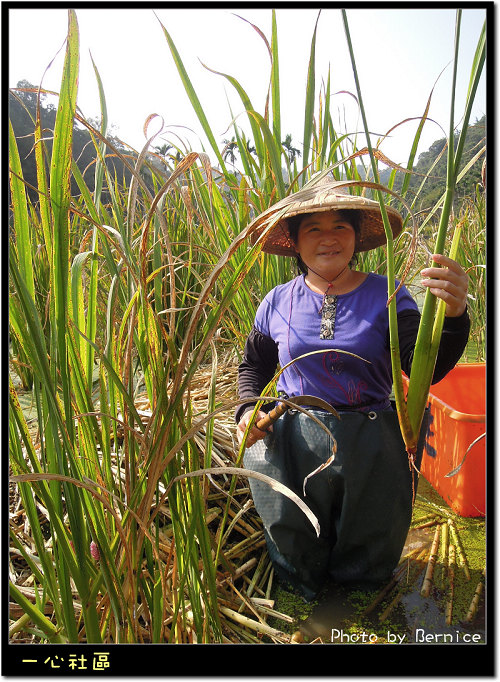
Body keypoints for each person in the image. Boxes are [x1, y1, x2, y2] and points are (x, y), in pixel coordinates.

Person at [236, 180, 470, 600]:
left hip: (372, 442)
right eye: (314, 229)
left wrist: (454, 315)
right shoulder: (276, 302)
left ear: (356, 237)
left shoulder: (388, 294)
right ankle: (303, 608)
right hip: (293, 439)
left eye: (340, 227)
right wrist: (246, 411)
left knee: (368, 549)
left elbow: (426, 369)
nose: (329, 239)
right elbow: (253, 365)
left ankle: (354, 616)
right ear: (294, 242)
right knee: (296, 542)